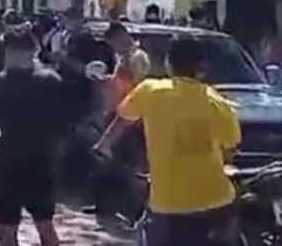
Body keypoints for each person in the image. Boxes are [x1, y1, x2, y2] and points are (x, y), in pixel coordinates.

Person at [94, 37, 241, 246]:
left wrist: (104, 145)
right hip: (216, 201)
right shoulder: (218, 102)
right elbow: (230, 148)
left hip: (170, 203)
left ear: (168, 63)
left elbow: (123, 119)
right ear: (201, 68)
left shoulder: (151, 91)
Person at [0, 26, 69, 246]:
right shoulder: (51, 80)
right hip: (42, 161)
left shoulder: (0, 82)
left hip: (9, 161)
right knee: (45, 225)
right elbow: (63, 123)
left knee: (7, 230)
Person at [104, 22, 152, 110]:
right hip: (123, 106)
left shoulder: (137, 56)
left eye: (114, 42)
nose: (114, 47)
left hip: (134, 107)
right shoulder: (123, 57)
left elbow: (139, 84)